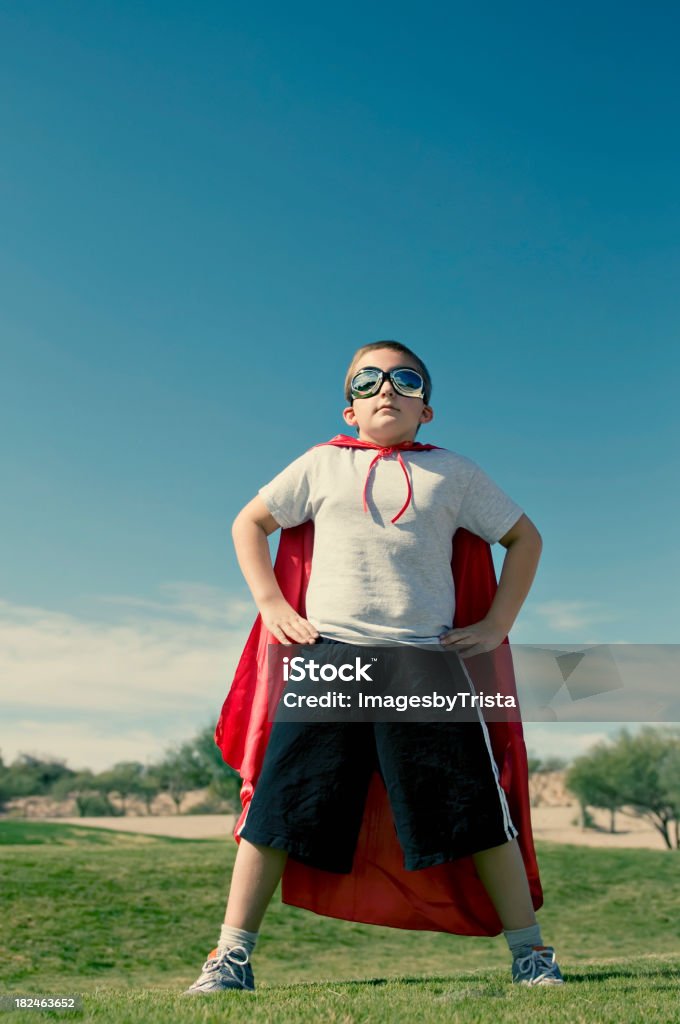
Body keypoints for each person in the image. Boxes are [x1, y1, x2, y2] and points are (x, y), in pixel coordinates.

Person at [184, 341, 564, 994]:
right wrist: (271, 603)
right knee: (277, 807)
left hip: (427, 661)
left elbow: (524, 538)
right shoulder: (321, 465)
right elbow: (249, 522)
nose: (386, 389)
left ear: (428, 410)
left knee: (478, 808)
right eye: (369, 380)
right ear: (350, 406)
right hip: (330, 659)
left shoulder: (456, 473)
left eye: (405, 379)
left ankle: (532, 956)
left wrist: (499, 623)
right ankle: (230, 960)